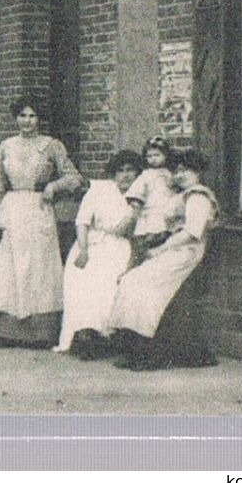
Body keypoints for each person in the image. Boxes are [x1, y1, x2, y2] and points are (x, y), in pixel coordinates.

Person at [0, 93, 85, 348]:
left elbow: (75, 178)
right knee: (11, 267)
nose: (27, 121)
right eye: (22, 116)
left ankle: (39, 333)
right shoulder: (7, 146)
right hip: (12, 208)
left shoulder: (51, 145)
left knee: (38, 268)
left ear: (39, 119)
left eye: (32, 116)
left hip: (39, 209)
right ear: (15, 118)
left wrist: (54, 185)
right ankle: (7, 331)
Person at [107, 149, 220, 370]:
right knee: (133, 279)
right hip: (173, 248)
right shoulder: (182, 194)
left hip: (187, 250)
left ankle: (149, 351)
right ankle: (135, 344)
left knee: (146, 285)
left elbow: (191, 232)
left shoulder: (199, 196)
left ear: (197, 172)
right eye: (176, 171)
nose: (180, 175)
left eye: (186, 170)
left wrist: (160, 250)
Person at [57, 149, 142, 358]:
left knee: (108, 279)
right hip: (92, 243)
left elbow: (134, 232)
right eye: (120, 171)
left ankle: (105, 335)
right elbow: (82, 221)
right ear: (113, 173)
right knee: (84, 275)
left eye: (130, 170)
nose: (125, 175)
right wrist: (84, 250)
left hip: (121, 247)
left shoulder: (140, 196)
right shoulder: (100, 190)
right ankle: (85, 332)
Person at [125, 134, 178, 267]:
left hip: (168, 213)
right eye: (149, 156)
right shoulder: (146, 175)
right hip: (152, 214)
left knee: (166, 242)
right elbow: (137, 193)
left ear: (165, 155)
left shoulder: (170, 174)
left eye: (157, 155)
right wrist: (136, 205)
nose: (153, 159)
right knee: (146, 243)